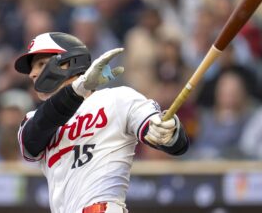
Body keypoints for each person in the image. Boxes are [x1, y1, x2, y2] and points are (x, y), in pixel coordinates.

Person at [14, 32, 189, 213]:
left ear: (68, 63)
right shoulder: (34, 118)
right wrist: (77, 90)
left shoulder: (118, 98)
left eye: (41, 64)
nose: (32, 74)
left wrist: (169, 132)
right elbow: (31, 140)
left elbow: (175, 144)